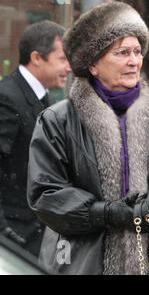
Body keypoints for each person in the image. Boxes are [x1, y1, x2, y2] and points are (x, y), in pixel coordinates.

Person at [27, 2, 149, 275]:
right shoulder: (57, 120)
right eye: (122, 53)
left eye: (137, 51)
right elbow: (45, 194)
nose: (134, 61)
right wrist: (104, 213)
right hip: (76, 264)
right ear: (93, 64)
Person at [0, 20, 71, 257]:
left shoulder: (49, 101)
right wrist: (5, 231)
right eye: (62, 59)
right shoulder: (7, 98)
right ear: (37, 58)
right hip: (13, 234)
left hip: (38, 233)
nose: (69, 67)